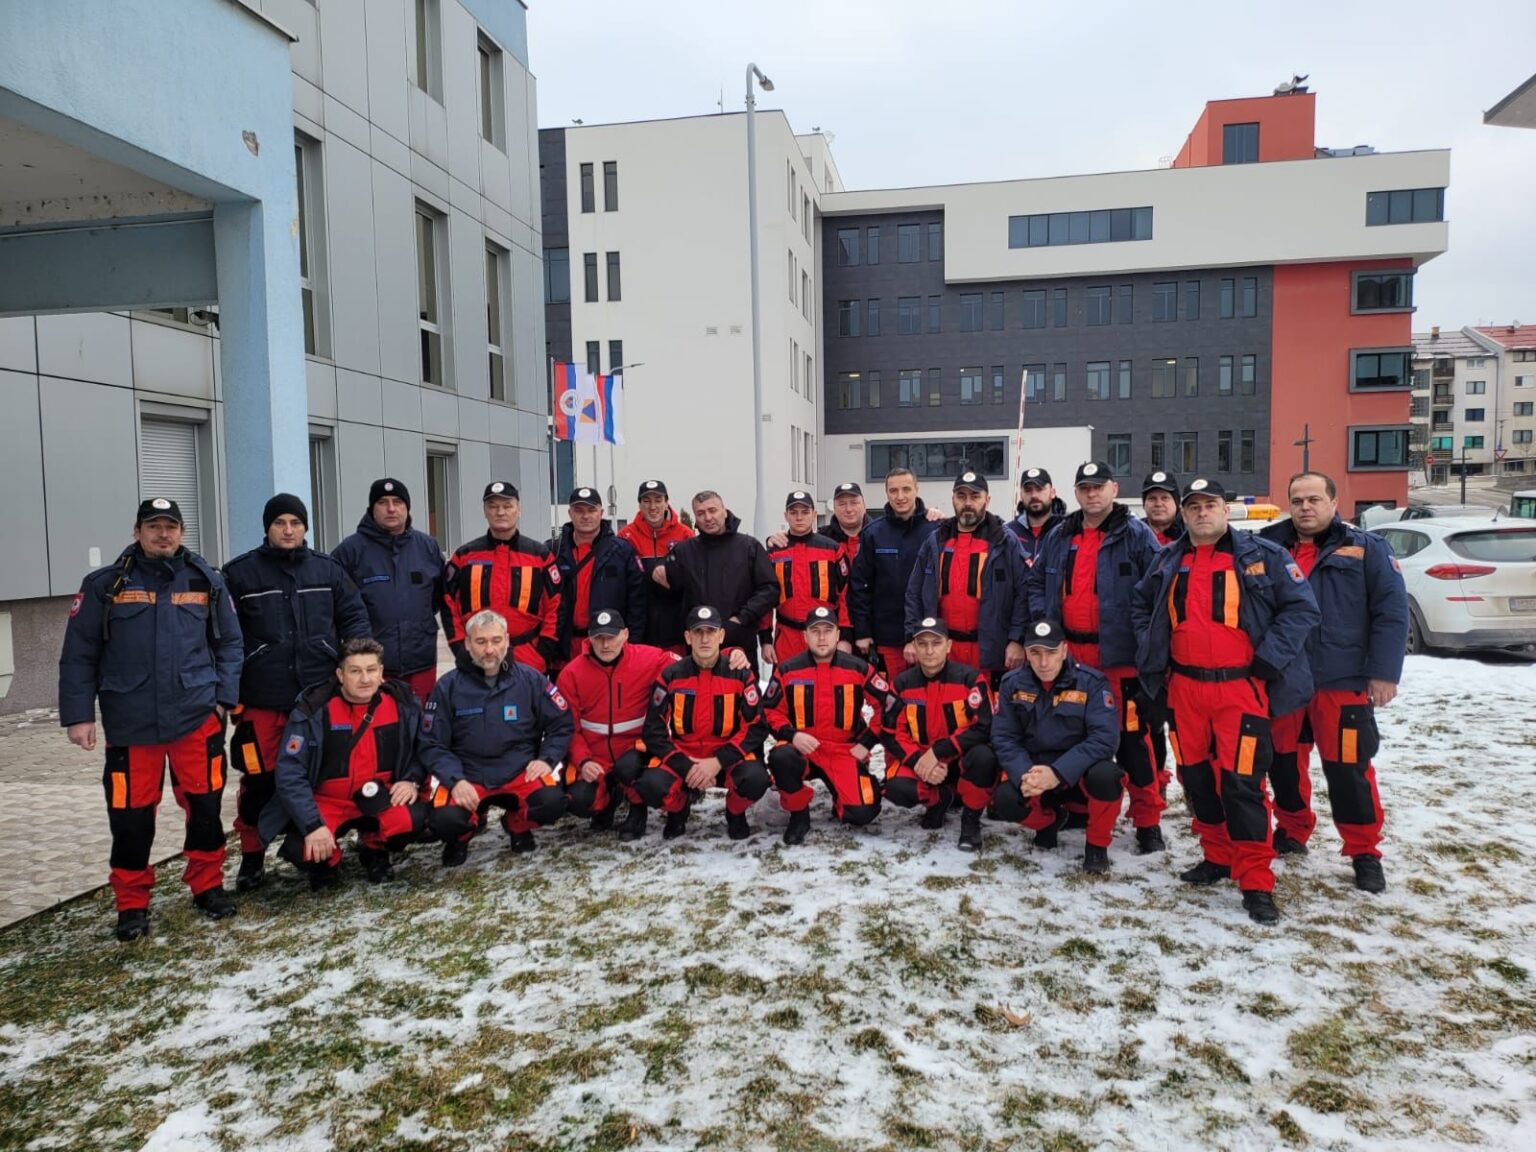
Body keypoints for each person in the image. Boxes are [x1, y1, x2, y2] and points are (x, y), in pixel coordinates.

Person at [1132, 477, 1320, 924]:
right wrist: (1152, 649)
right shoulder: (1167, 559)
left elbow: (1301, 608)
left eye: (1210, 505)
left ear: (1225, 509)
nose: (1202, 513)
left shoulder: (1262, 555)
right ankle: (1216, 855)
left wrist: (1270, 658)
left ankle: (1255, 880)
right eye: (1194, 507)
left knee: (1243, 784)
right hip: (1185, 690)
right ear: (1184, 513)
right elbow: (1141, 606)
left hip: (1240, 689)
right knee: (1197, 780)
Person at [59, 497, 243, 941]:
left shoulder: (206, 580)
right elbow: (79, 655)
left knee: (205, 809)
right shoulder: (105, 584)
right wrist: (79, 716)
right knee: (130, 818)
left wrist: (223, 699)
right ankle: (131, 904)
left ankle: (207, 885)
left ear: (182, 532)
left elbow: (230, 644)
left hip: (196, 718)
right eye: (154, 526)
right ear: (137, 531)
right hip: (131, 723)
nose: (163, 534)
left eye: (170, 526)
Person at [1261, 471, 1407, 892]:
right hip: (1286, 681)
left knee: (1348, 769)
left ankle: (1364, 851)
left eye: (1314, 499)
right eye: (1297, 500)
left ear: (1333, 502)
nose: (1305, 507)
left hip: (1341, 681)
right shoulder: (1269, 546)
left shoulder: (1367, 549)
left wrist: (1384, 673)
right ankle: (1292, 829)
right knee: (1283, 763)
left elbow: (1391, 613)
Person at [224, 493, 371, 893]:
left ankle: (317, 851)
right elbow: (224, 636)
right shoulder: (239, 575)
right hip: (262, 699)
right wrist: (231, 691)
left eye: (295, 523)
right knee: (258, 781)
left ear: (306, 527)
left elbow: (355, 619)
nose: (288, 530)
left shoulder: (328, 570)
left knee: (319, 778)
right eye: (280, 523)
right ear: (267, 528)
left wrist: (354, 667)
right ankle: (252, 855)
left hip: (318, 699)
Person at [1028, 461, 1166, 853]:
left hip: (1120, 659)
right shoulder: (1060, 535)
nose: (1092, 494)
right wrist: (1043, 622)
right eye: (1085, 488)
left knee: (1133, 742)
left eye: (1099, 487)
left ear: (1113, 489)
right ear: (1075, 493)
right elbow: (1036, 582)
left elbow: (1159, 592)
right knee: (1072, 733)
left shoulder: (1137, 536)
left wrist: (1146, 644)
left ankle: (1147, 820)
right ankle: (1077, 808)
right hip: (1071, 657)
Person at [259, 638, 428, 888]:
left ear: (381, 672)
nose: (365, 679)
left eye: (371, 670)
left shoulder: (402, 704)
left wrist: (411, 780)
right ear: (340, 675)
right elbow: (290, 773)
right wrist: (312, 825)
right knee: (302, 848)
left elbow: (423, 749)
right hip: (327, 801)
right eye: (355, 671)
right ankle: (328, 862)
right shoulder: (314, 710)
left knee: (413, 820)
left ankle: (374, 849)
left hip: (380, 797)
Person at [419, 609, 572, 863]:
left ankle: (517, 825)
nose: (489, 650)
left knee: (552, 803)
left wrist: (546, 759)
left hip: (519, 771)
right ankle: (461, 836)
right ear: (468, 644)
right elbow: (431, 743)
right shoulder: (447, 686)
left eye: (496, 640)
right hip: (468, 776)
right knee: (444, 819)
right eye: (481, 642)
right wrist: (455, 781)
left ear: (507, 640)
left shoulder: (530, 679)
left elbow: (561, 723)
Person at [991, 620, 1123, 873]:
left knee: (1108, 776)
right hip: (1034, 773)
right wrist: (1024, 774)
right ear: (1026, 653)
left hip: (1077, 774)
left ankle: (1097, 845)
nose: (1043, 662)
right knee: (1006, 800)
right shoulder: (1011, 683)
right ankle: (1047, 822)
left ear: (1064, 650)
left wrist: (1058, 773)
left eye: (1051, 652)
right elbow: (1004, 737)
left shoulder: (1091, 682)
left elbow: (1104, 739)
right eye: (1035, 653)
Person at [762, 606, 895, 845]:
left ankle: (842, 798)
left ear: (837, 635)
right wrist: (792, 735)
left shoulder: (858, 668)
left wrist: (866, 743)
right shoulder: (788, 669)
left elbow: (888, 706)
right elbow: (769, 710)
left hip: (844, 751)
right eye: (815, 631)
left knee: (863, 812)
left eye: (828, 631)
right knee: (781, 757)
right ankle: (799, 814)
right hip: (803, 749)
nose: (822, 637)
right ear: (805, 636)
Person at [636, 605, 769, 840]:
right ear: (688, 637)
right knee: (650, 785)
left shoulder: (740, 674)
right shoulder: (670, 675)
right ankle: (679, 808)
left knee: (756, 779)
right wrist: (686, 766)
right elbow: (654, 730)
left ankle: (735, 812)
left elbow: (756, 727)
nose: (705, 639)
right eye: (698, 632)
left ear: (721, 636)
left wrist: (718, 761)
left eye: (711, 632)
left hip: (727, 757)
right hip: (685, 756)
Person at [555, 609, 676, 838]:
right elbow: (569, 727)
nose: (605, 644)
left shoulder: (648, 659)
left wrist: (732, 655)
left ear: (625, 635)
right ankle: (607, 801)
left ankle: (637, 809)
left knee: (635, 771)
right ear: (589, 638)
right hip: (595, 755)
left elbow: (694, 662)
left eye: (611, 637)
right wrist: (583, 761)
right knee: (578, 799)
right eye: (599, 637)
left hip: (635, 749)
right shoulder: (571, 674)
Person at [880, 616, 999, 851]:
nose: (929, 650)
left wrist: (940, 752)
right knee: (894, 788)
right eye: (922, 644)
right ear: (914, 647)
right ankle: (938, 798)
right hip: (922, 761)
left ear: (948, 645)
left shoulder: (970, 679)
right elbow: (890, 733)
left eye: (936, 643)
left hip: (959, 759)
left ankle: (971, 820)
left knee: (985, 758)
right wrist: (918, 761)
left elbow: (984, 727)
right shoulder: (901, 684)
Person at [904, 470, 1030, 685]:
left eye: (975, 496)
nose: (968, 503)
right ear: (953, 499)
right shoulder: (936, 541)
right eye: (961, 496)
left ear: (987, 500)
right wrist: (911, 636)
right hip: (942, 650)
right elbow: (914, 592)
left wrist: (1017, 639)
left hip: (989, 650)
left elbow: (1024, 593)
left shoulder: (1005, 541)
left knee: (985, 704)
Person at [331, 477, 445, 705]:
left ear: (407, 507)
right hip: (372, 668)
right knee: (378, 723)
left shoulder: (428, 547)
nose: (391, 509)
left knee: (420, 722)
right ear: (372, 509)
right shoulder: (350, 551)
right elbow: (337, 608)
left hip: (421, 663)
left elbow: (436, 598)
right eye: (383, 502)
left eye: (398, 502)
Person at [441, 481, 562, 673]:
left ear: (519, 510)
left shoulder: (539, 556)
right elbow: (448, 603)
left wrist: (544, 650)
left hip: (528, 657)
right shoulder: (465, 556)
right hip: (478, 657)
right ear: (484, 511)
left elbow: (556, 605)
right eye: (493, 506)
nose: (500, 512)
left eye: (507, 506)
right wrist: (460, 648)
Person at [653, 492, 778, 666]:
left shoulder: (749, 547)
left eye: (712, 510)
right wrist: (659, 567)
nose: (708, 518)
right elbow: (666, 580)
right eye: (701, 513)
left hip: (739, 641)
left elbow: (769, 589)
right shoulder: (685, 550)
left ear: (724, 511)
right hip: (699, 644)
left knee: (742, 683)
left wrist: (742, 617)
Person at [848, 468, 942, 677]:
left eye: (906, 489)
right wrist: (862, 632)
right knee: (892, 693)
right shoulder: (873, 533)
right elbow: (859, 587)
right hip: (887, 636)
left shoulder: (937, 530)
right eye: (893, 491)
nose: (900, 496)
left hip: (929, 634)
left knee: (929, 693)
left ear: (916, 489)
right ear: (886, 493)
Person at [554, 486, 648, 664]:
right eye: (579, 510)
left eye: (591, 510)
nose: (585, 516)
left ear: (601, 513)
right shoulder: (554, 551)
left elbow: (637, 604)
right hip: (564, 649)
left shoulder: (622, 552)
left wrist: (632, 645)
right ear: (570, 513)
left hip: (608, 646)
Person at [760, 490, 850, 666]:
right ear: (786, 516)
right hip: (787, 637)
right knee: (785, 681)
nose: (799, 517)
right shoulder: (774, 552)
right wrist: (765, 640)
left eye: (805, 512)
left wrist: (845, 636)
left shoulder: (831, 549)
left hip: (825, 636)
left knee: (825, 682)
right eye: (793, 512)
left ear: (814, 514)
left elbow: (846, 595)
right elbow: (764, 598)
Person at [618, 480, 694, 652]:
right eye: (646, 501)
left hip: (677, 631)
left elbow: (694, 579)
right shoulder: (625, 536)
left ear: (666, 503)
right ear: (640, 505)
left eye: (658, 500)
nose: (653, 507)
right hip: (639, 630)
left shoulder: (685, 535)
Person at [1008, 467, 1067, 567]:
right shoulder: (1009, 533)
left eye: (1039, 489)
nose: (1034, 495)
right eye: (1028, 490)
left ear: (1052, 492)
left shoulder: (1066, 531)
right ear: (1021, 495)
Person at [1141, 471, 1185, 546]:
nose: (1158, 504)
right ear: (1144, 504)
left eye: (1165, 498)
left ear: (1177, 503)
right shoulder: (1133, 535)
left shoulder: (1191, 536)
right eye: (1152, 498)